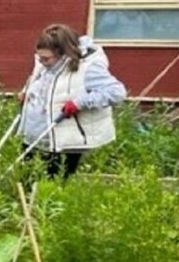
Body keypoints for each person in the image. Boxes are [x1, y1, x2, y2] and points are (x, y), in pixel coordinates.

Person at [18, 24, 126, 178]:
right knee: (26, 180)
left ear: (64, 54)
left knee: (52, 187)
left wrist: (80, 103)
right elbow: (40, 84)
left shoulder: (87, 68)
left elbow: (116, 92)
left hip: (63, 141)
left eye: (46, 58)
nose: (42, 62)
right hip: (34, 136)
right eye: (39, 57)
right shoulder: (44, 64)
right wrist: (26, 93)